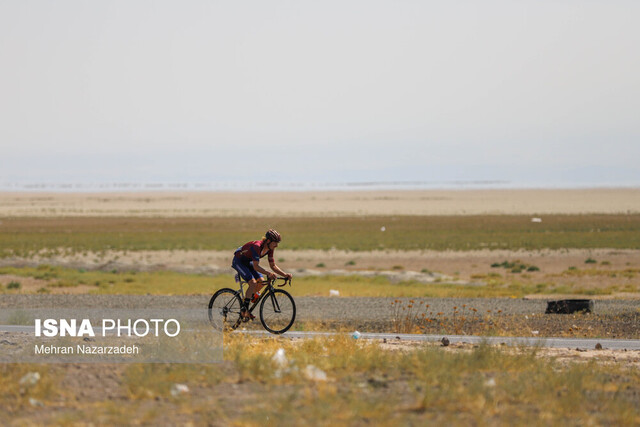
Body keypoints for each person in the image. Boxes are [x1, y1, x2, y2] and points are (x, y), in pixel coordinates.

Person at [232, 229, 292, 319]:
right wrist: (269, 273)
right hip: (239, 261)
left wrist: (285, 274)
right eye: (275, 243)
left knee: (262, 281)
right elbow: (256, 267)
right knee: (253, 283)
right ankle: (244, 310)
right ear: (268, 241)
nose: (277, 245)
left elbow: (273, 265)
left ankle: (248, 298)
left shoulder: (270, 248)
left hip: (248, 262)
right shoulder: (257, 246)